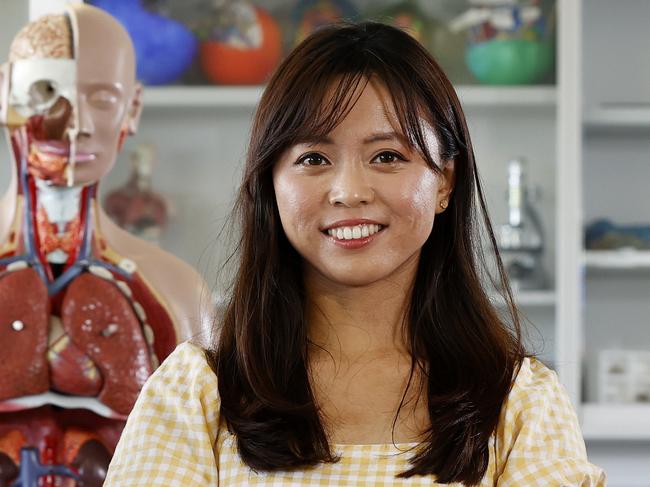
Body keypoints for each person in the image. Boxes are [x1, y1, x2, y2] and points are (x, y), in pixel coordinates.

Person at [104, 22, 606, 486]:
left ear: (445, 182)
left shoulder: (519, 403)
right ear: (270, 183)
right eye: (313, 159)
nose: (348, 191)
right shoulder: (196, 393)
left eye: (387, 156)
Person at [0, 5, 209, 485]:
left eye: (100, 97)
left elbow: (199, 458)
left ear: (131, 109)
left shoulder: (180, 295)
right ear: (5, 94)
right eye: (46, 91)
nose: (71, 123)